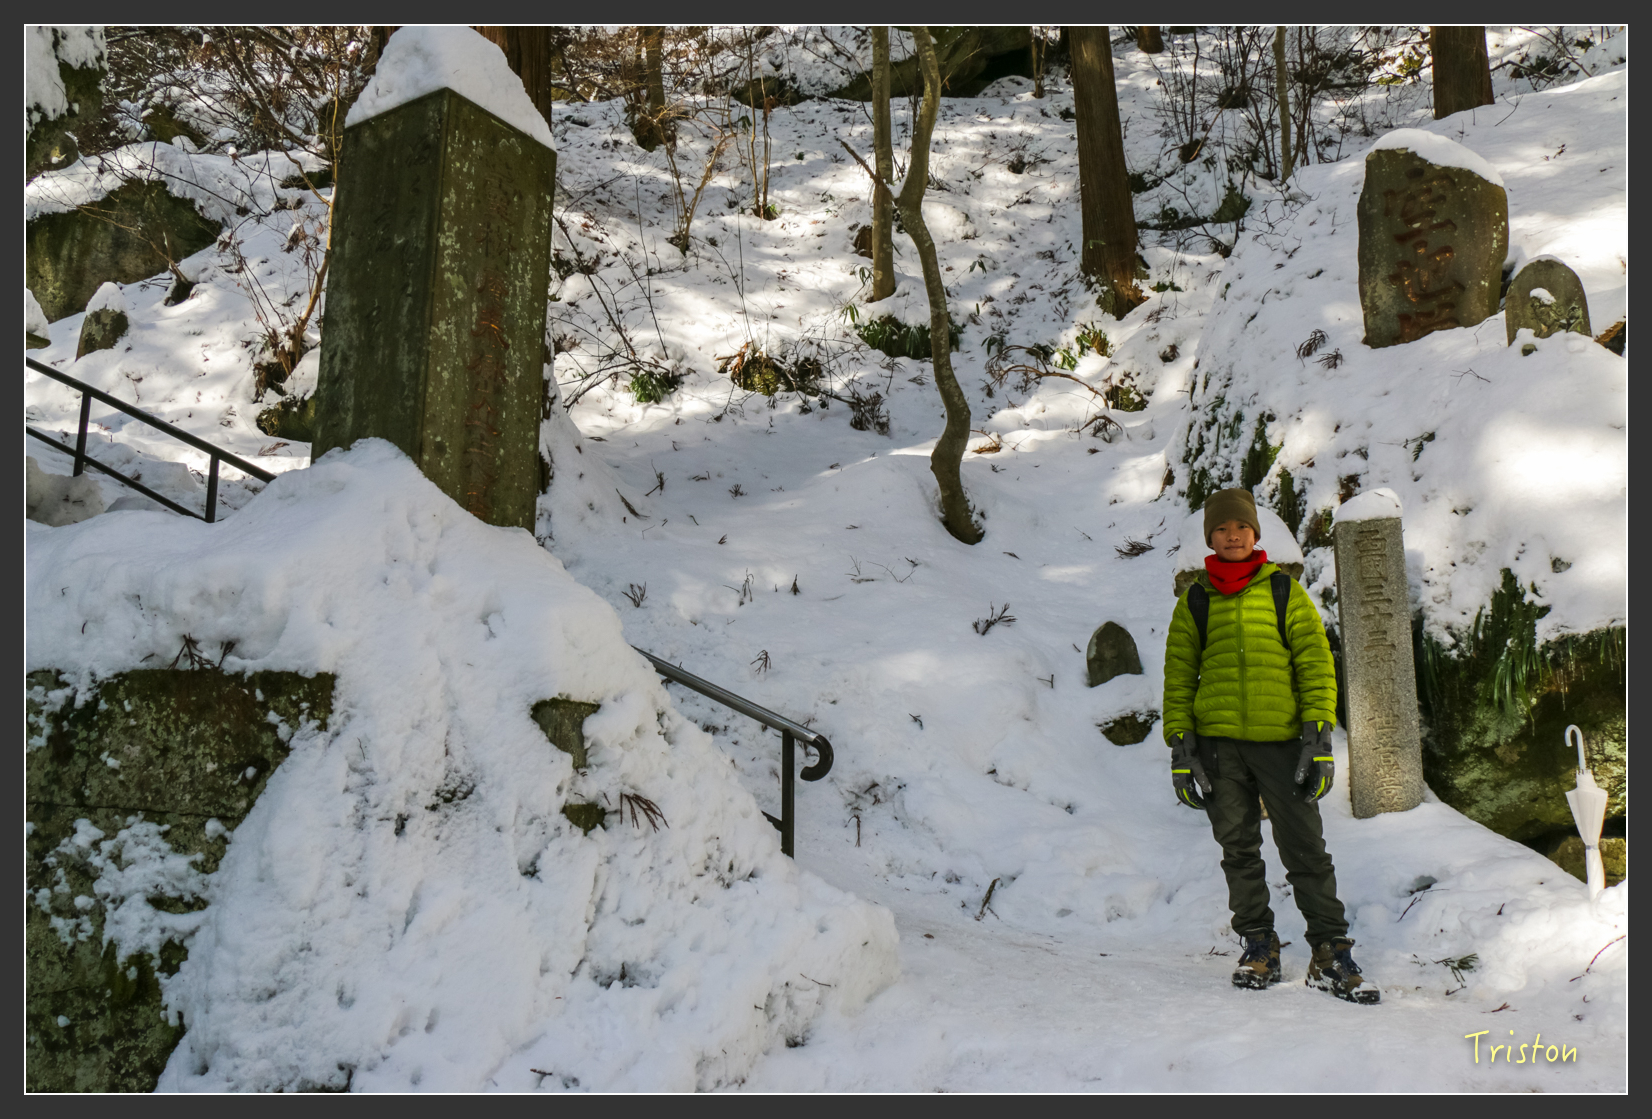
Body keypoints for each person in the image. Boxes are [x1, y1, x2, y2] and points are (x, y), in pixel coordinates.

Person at [1161, 487, 1379, 1004]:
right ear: (1209, 538)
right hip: (1217, 748)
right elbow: (1179, 677)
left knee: (1306, 848)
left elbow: (1315, 664)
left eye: (1240, 526)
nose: (1232, 535)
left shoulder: (1284, 592)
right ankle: (1259, 945)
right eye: (1221, 528)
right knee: (1238, 849)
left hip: (1282, 743)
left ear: (1255, 533)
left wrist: (1318, 737)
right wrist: (1182, 749)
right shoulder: (1196, 600)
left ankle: (1329, 952)